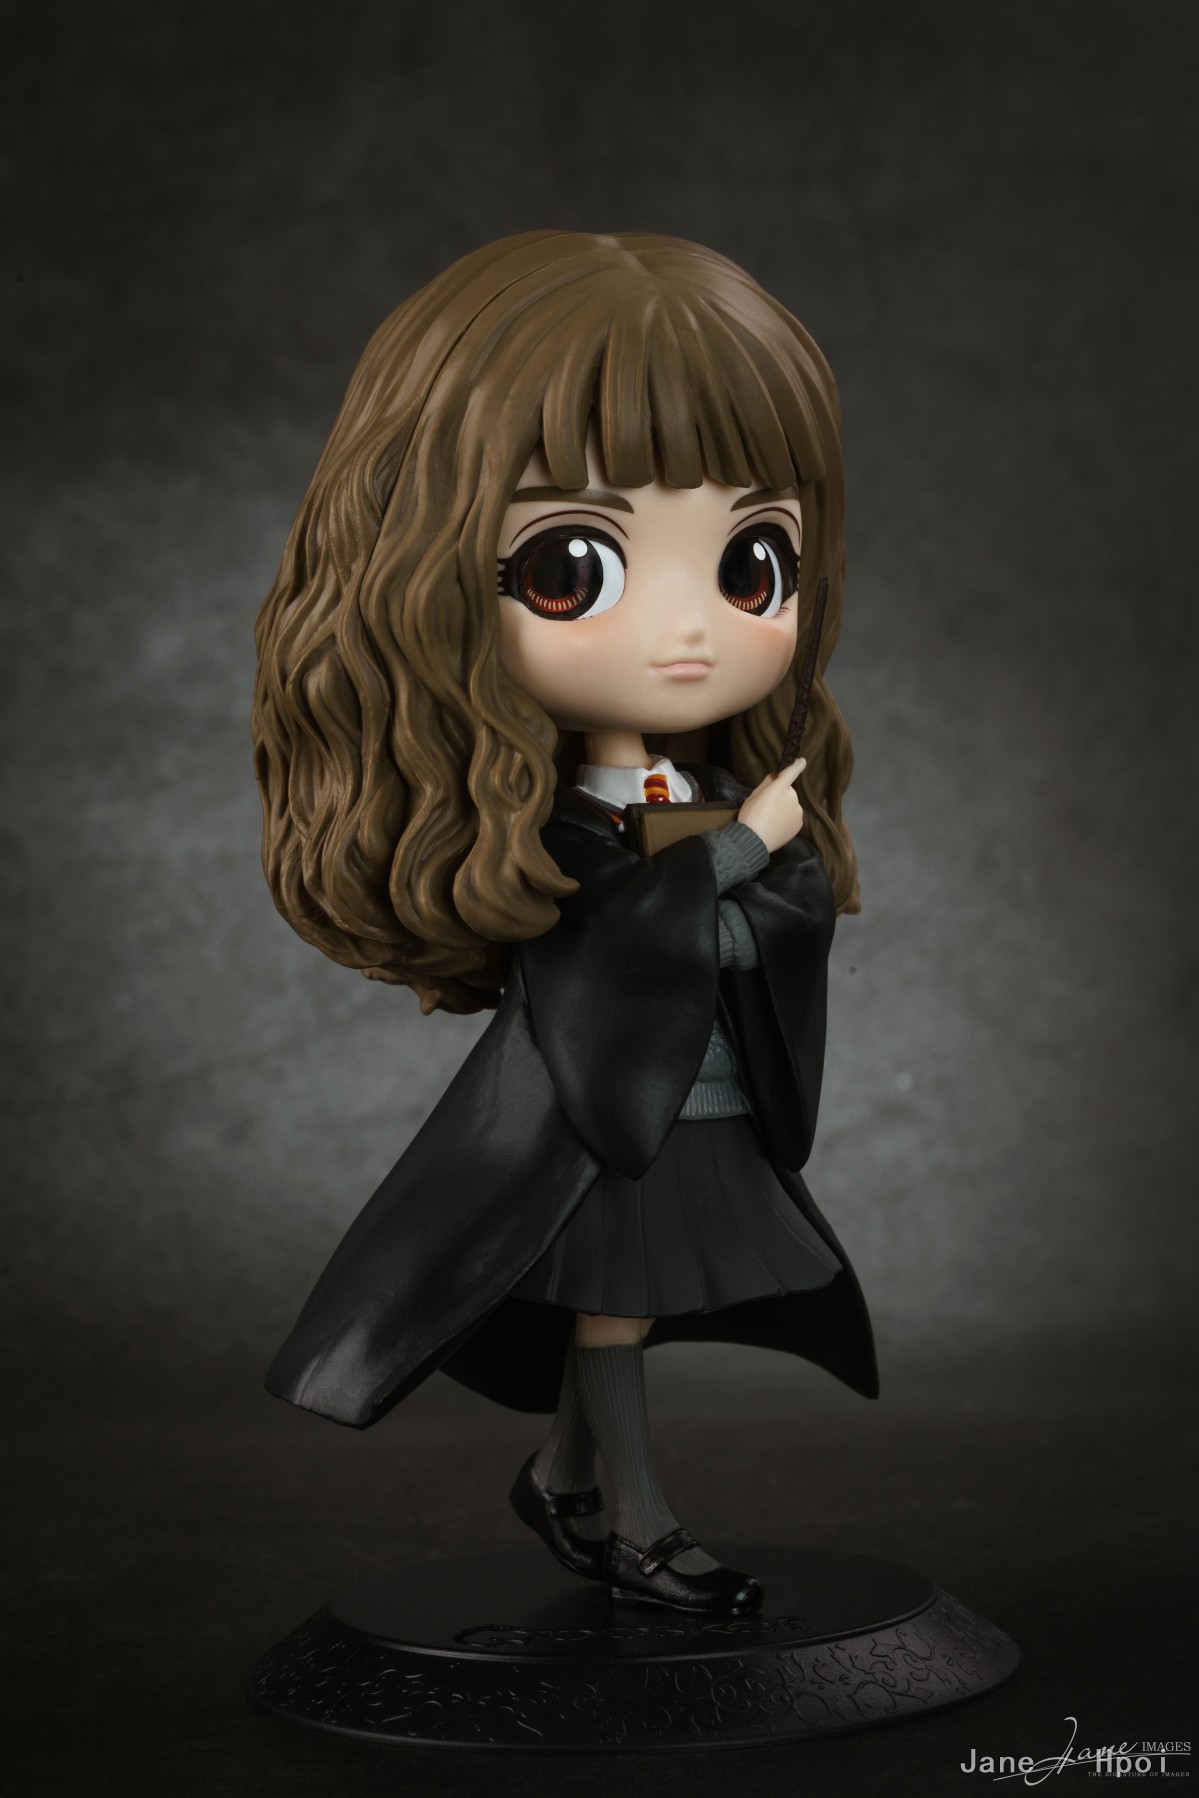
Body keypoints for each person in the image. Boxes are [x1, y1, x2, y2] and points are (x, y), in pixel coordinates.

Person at [252, 230, 877, 1617]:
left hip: (695, 1103)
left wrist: (751, 868)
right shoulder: (557, 817)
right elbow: (620, 930)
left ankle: (565, 1482)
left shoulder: (700, 789)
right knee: (614, 1307)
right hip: (593, 1113)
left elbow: (754, 919)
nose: (688, 633)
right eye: (574, 565)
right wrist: (747, 852)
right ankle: (639, 1522)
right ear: (436, 576)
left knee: (629, 1305)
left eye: (750, 562)